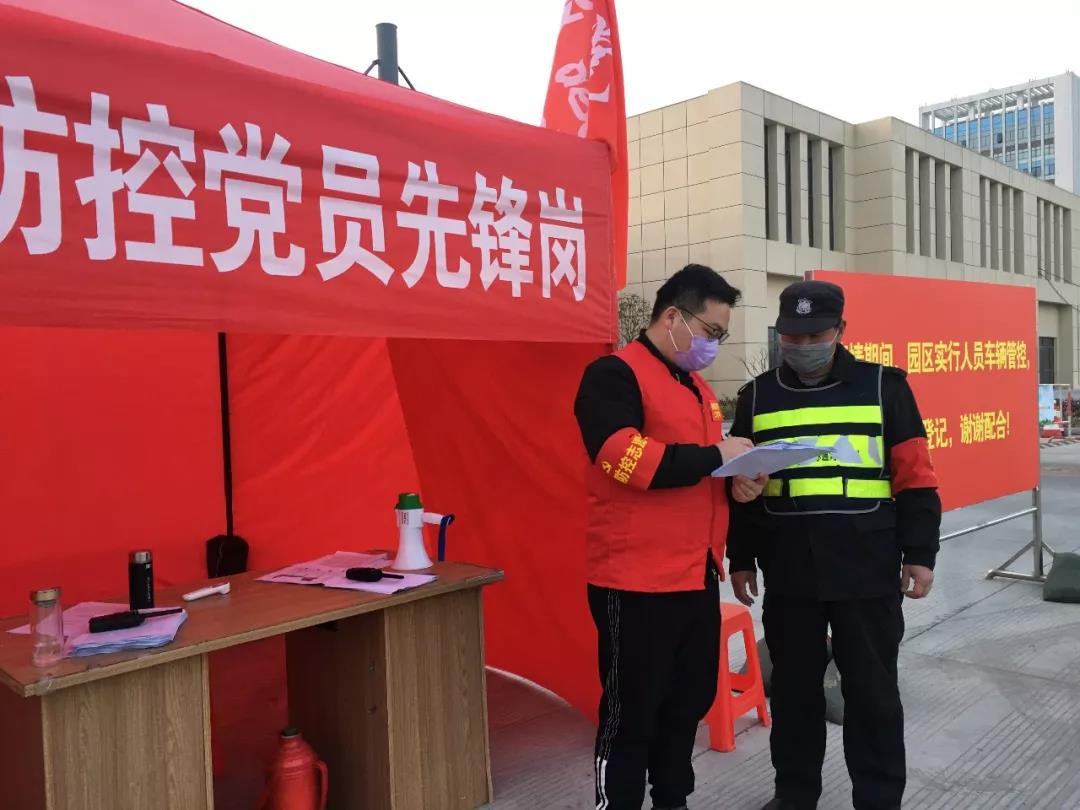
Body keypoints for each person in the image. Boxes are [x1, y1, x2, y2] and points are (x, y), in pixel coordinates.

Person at [726, 280, 942, 810]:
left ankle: (879, 799)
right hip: (790, 573)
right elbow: (744, 484)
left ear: (841, 330)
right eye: (792, 337)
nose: (803, 346)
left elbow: (916, 477)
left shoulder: (884, 387)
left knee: (872, 696)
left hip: (866, 571)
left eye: (815, 336)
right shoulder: (757, 396)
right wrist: (742, 556)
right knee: (794, 696)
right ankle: (794, 796)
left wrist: (920, 554)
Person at [574, 264, 766, 810]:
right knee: (631, 712)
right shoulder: (614, 375)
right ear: (673, 317)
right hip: (635, 581)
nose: (714, 345)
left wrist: (737, 482)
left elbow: (699, 473)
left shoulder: (696, 387)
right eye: (712, 331)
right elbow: (621, 456)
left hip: (694, 574)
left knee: (685, 703)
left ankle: (673, 800)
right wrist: (715, 457)